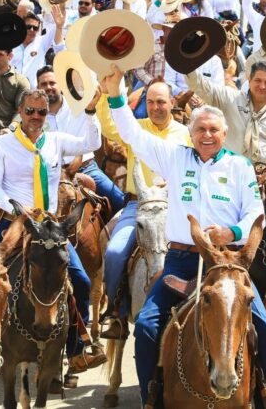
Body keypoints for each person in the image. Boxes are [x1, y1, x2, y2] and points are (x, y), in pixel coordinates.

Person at [101, 65, 266, 407]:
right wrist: (115, 94)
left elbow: (257, 214)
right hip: (181, 261)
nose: (207, 135)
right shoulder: (175, 157)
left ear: (224, 134)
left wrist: (232, 231)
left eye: (213, 130)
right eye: (200, 130)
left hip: (228, 265)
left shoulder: (240, 166)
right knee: (148, 326)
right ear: (191, 133)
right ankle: (152, 398)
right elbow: (132, 135)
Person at [0, 88, 105, 373]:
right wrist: (14, 209)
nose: (36, 117)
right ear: (20, 112)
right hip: (14, 222)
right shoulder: (1, 145)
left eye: (41, 111)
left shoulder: (56, 141)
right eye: (30, 111)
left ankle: (76, 350)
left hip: (49, 228)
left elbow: (92, 141)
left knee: (83, 282)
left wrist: (90, 111)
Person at [94, 79, 190, 338]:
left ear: (172, 103)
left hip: (176, 207)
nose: (156, 107)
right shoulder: (135, 128)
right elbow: (108, 124)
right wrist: (105, 95)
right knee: (114, 252)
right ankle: (116, 311)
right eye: (150, 102)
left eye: (161, 102)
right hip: (138, 204)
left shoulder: (186, 134)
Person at [37, 65, 124, 212]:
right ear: (38, 88)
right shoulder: (34, 115)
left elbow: (93, 136)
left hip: (86, 168)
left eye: (52, 83)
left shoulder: (80, 103)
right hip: (50, 175)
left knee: (121, 201)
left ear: (61, 84)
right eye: (43, 84)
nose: (49, 87)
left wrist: (79, 155)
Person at [186, 60, 266, 186]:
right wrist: (186, 62)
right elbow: (200, 85)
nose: (262, 86)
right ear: (249, 80)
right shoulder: (230, 98)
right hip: (229, 174)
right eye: (258, 80)